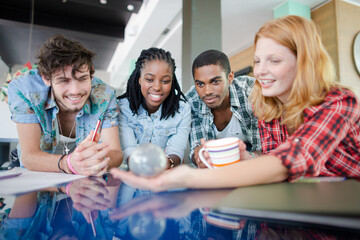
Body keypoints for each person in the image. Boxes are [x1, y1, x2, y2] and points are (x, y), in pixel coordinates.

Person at [110, 15, 360, 191]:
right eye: (258, 61)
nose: (261, 71)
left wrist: (188, 178)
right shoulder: (268, 103)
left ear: (304, 61)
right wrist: (247, 158)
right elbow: (272, 160)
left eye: (274, 60)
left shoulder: (338, 102)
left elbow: (292, 160)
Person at [8, 34, 123, 176]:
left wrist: (92, 162)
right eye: (64, 80)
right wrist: (69, 163)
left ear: (91, 74)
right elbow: (29, 156)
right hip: (36, 177)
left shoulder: (105, 95)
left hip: (81, 181)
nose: (75, 91)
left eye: (82, 79)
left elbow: (116, 153)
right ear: (46, 78)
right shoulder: (25, 90)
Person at [117, 47, 191, 169]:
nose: (157, 87)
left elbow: (176, 150)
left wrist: (168, 162)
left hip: (164, 176)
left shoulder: (183, 110)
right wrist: (143, 166)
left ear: (172, 82)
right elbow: (128, 149)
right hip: (132, 175)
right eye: (149, 79)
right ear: (139, 79)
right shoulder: (123, 107)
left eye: (165, 81)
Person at [185, 50, 261, 168]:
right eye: (200, 84)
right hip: (216, 163)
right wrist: (199, 157)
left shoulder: (251, 90)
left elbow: (264, 149)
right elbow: (197, 153)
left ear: (230, 77)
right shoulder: (191, 101)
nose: (207, 91)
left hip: (251, 156)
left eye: (215, 82)